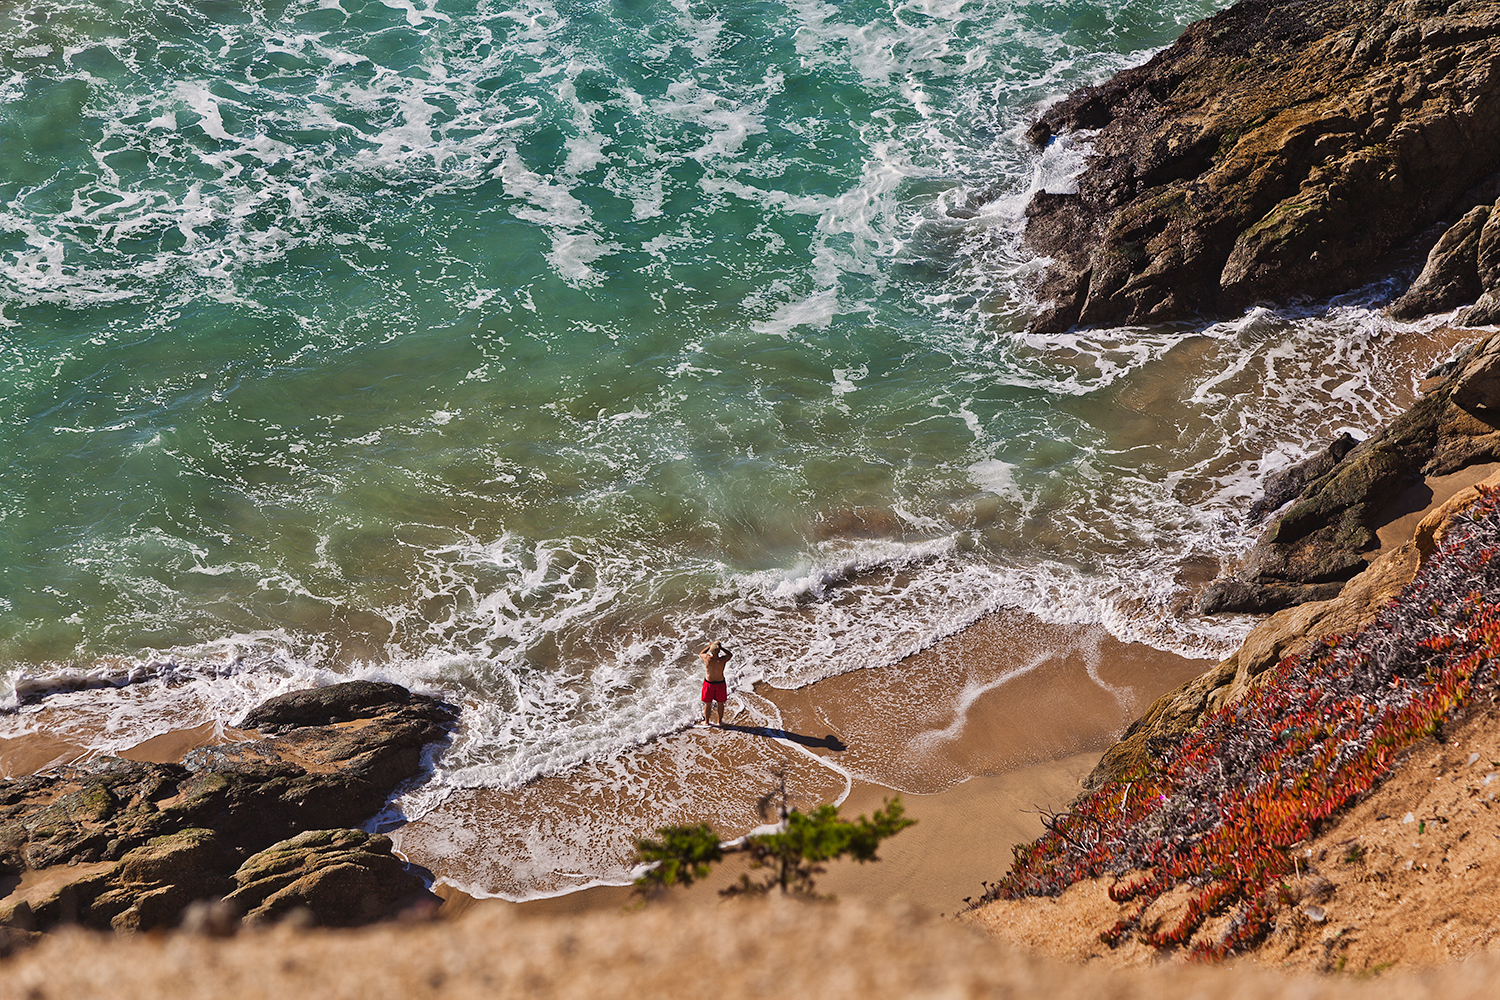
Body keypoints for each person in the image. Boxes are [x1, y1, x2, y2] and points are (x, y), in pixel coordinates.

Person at [698, 640, 732, 726]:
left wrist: (709, 646)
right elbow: (730, 654)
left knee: (708, 704)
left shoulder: (707, 658)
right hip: (720, 683)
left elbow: (701, 653)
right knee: (720, 703)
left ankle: (706, 722)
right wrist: (721, 648)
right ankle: (719, 722)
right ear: (719, 650)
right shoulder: (722, 660)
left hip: (709, 683)